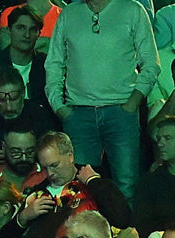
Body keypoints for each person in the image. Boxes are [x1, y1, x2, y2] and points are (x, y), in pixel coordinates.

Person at [43, 0, 159, 199]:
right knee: (78, 189)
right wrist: (60, 107)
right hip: (78, 113)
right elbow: (54, 63)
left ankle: (127, 230)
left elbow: (151, 63)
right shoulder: (69, 14)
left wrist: (132, 104)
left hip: (121, 111)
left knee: (127, 186)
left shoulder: (132, 10)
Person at [0, 8, 47, 114]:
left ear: (39, 34)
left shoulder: (47, 65)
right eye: (21, 28)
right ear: (9, 30)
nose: (27, 35)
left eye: (32, 29)